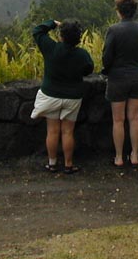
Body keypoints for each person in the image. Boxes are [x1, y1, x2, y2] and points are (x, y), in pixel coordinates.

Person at [32, 18, 94, 174]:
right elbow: (88, 70)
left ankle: (52, 163)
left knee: (52, 131)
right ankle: (68, 165)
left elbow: (37, 31)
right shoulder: (82, 55)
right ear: (78, 38)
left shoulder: (51, 48)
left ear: (61, 35)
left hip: (51, 95)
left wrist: (53, 23)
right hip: (72, 97)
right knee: (67, 131)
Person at [101, 0, 138, 168]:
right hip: (137, 76)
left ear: (119, 11)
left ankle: (118, 157)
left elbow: (107, 56)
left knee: (118, 120)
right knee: (134, 118)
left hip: (117, 78)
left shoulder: (113, 30)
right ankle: (135, 154)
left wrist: (108, 69)